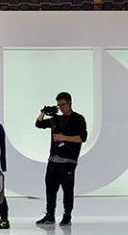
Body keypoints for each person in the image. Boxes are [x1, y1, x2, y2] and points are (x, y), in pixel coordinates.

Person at [35, 92, 88, 227]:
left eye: (63, 105)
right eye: (59, 106)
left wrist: (64, 138)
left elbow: (82, 138)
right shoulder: (57, 119)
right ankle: (50, 215)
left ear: (70, 102)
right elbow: (39, 124)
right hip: (53, 159)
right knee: (50, 189)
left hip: (68, 161)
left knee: (67, 190)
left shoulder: (78, 119)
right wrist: (43, 112)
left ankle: (67, 216)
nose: (61, 108)